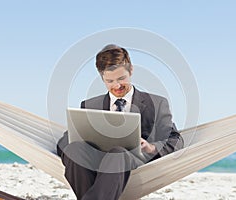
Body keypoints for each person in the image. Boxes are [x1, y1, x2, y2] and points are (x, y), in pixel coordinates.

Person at [57, 44, 184, 200]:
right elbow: (65, 140)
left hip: (131, 162)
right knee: (74, 150)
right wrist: (74, 145)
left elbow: (175, 139)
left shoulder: (156, 103)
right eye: (109, 81)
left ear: (131, 71)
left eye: (121, 78)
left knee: (117, 153)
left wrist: (150, 148)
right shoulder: (90, 105)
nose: (117, 86)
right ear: (101, 77)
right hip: (95, 160)